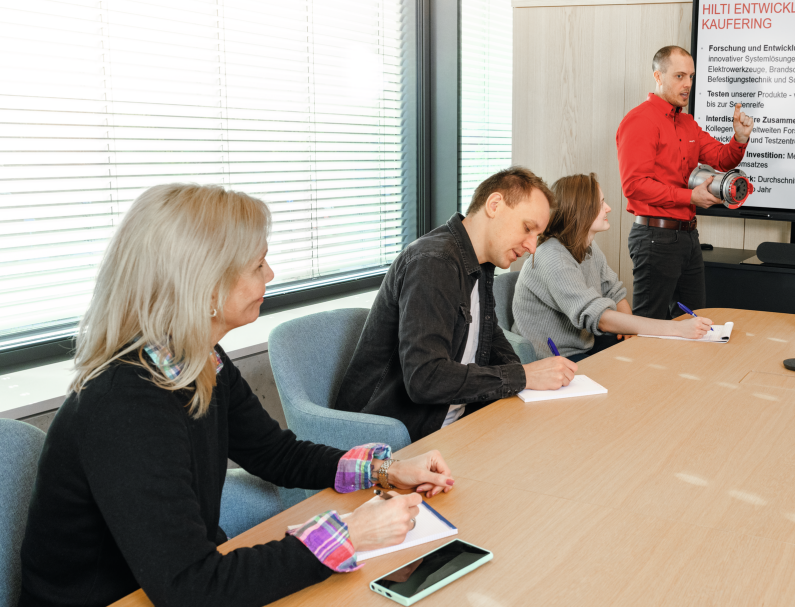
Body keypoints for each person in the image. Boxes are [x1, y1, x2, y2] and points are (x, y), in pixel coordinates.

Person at [20, 184, 455, 607]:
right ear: (206, 285)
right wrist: (352, 534)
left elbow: (275, 453)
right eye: (257, 264)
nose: (270, 274)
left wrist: (385, 471)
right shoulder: (124, 405)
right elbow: (190, 589)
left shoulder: (198, 359)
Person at [336, 167, 578, 441]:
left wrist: (528, 377)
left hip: (456, 424)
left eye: (537, 236)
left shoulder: (480, 264)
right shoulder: (433, 262)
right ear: (495, 205)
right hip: (395, 439)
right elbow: (425, 379)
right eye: (527, 228)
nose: (532, 247)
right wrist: (523, 376)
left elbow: (491, 341)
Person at [616, 45, 754, 320]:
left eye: (690, 76)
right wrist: (689, 197)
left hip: (688, 237)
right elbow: (635, 185)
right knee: (650, 323)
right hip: (655, 236)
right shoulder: (640, 121)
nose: (688, 84)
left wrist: (739, 138)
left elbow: (721, 158)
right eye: (679, 76)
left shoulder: (688, 123)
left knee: (694, 320)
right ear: (658, 77)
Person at [512, 173, 713, 362]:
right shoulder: (553, 257)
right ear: (581, 210)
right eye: (600, 204)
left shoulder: (587, 246)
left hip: (585, 346)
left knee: (652, 356)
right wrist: (677, 329)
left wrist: (631, 332)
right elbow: (599, 318)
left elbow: (614, 293)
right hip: (554, 358)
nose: (607, 208)